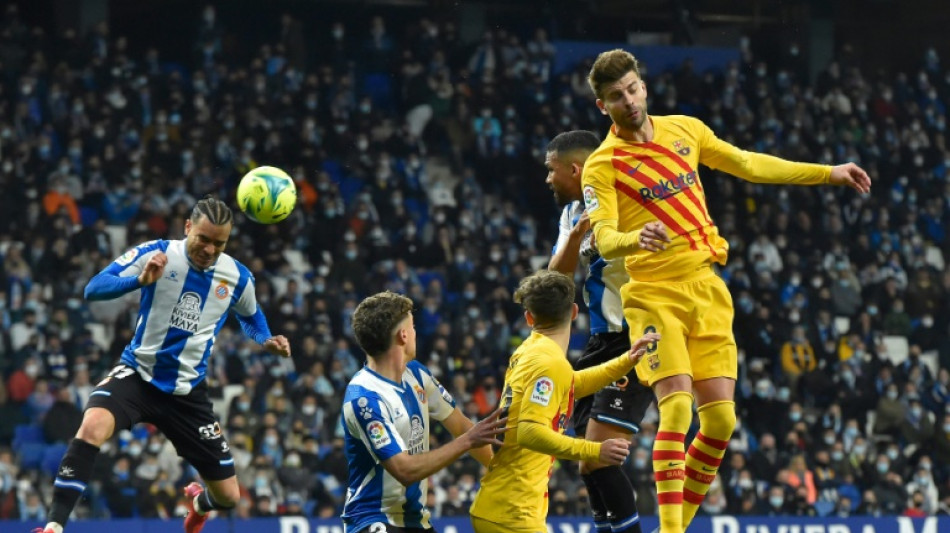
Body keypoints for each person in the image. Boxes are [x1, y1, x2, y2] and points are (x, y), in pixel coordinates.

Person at [580, 49, 871, 533]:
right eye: (615, 96)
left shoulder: (686, 130)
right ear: (602, 107)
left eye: (632, 89)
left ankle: (672, 526)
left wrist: (827, 172)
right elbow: (605, 236)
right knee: (675, 406)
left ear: (644, 87)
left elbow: (749, 164)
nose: (628, 101)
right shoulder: (602, 164)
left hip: (707, 286)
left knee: (720, 423)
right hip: (653, 293)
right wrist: (635, 238)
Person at [34, 198, 292, 533]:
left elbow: (251, 316)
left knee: (229, 496)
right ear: (187, 228)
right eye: (203, 238)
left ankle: (199, 504)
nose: (210, 249)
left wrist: (266, 339)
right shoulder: (157, 252)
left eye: (219, 243)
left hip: (187, 393)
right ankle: (54, 526)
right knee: (93, 424)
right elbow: (93, 288)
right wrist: (139, 281)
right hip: (139, 375)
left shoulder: (237, 277)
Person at [469, 270, 660, 533]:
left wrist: (625, 360)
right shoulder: (549, 362)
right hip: (512, 512)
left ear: (529, 318)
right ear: (573, 312)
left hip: (507, 505)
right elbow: (529, 432)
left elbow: (572, 385)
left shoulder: (531, 350)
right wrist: (595, 450)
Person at [546, 130, 654, 533]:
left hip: (635, 335)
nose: (547, 178)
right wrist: (577, 236)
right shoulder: (572, 214)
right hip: (599, 340)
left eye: (551, 170)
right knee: (586, 461)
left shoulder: (630, 195)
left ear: (575, 169)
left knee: (597, 456)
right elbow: (555, 280)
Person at [341, 291, 506, 533]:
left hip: (415, 520)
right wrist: (467, 442)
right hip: (373, 519)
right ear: (403, 335)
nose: (416, 332)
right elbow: (405, 470)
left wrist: (502, 474)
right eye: (413, 326)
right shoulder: (365, 399)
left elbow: (461, 425)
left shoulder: (417, 374)